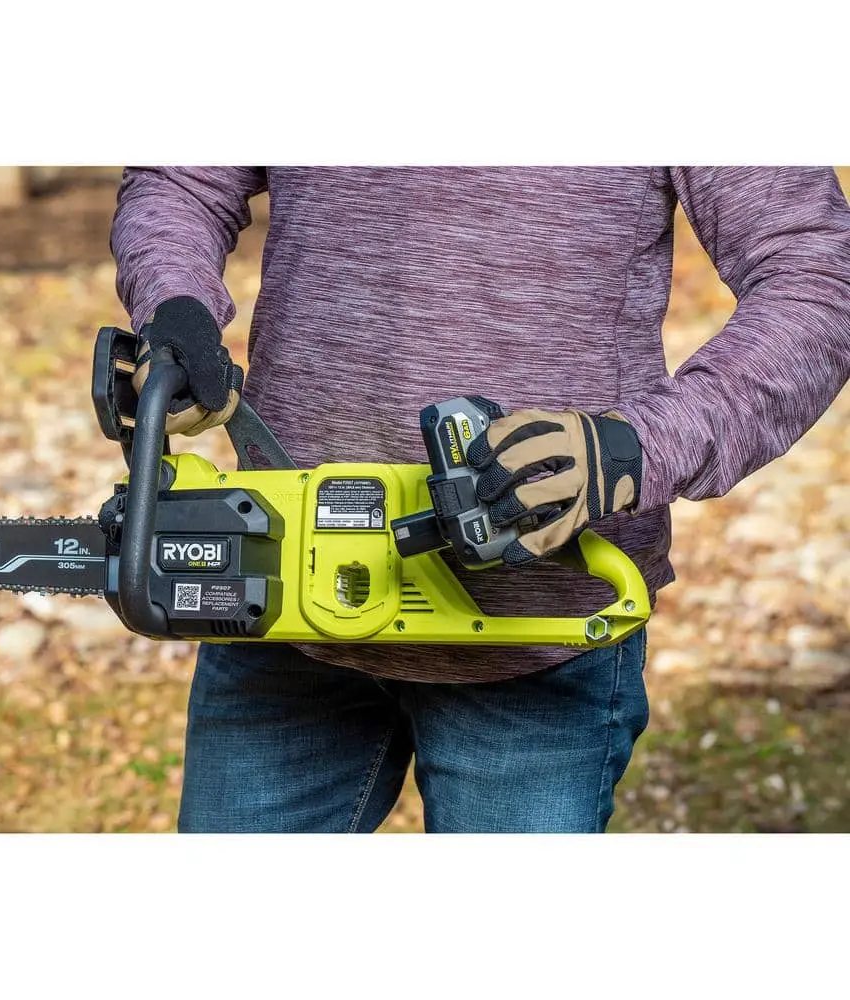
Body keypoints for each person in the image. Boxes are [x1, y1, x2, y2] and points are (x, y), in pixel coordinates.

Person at [111, 167, 850, 833]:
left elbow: (816, 275)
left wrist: (638, 448)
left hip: (537, 627)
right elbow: (181, 180)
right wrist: (175, 303)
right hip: (278, 591)